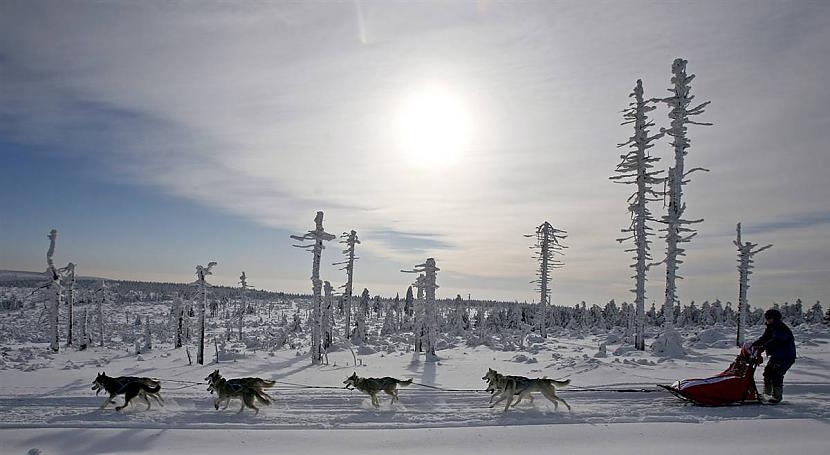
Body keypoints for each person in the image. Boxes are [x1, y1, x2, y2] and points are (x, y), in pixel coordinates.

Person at [751, 309, 796, 403]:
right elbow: (764, 338)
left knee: (777, 373)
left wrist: (764, 346)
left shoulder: (780, 328)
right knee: (767, 371)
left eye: (769, 318)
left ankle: (776, 396)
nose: (767, 320)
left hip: (786, 356)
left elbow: (776, 340)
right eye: (767, 318)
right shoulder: (771, 328)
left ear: (775, 318)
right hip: (777, 355)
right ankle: (766, 393)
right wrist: (752, 346)